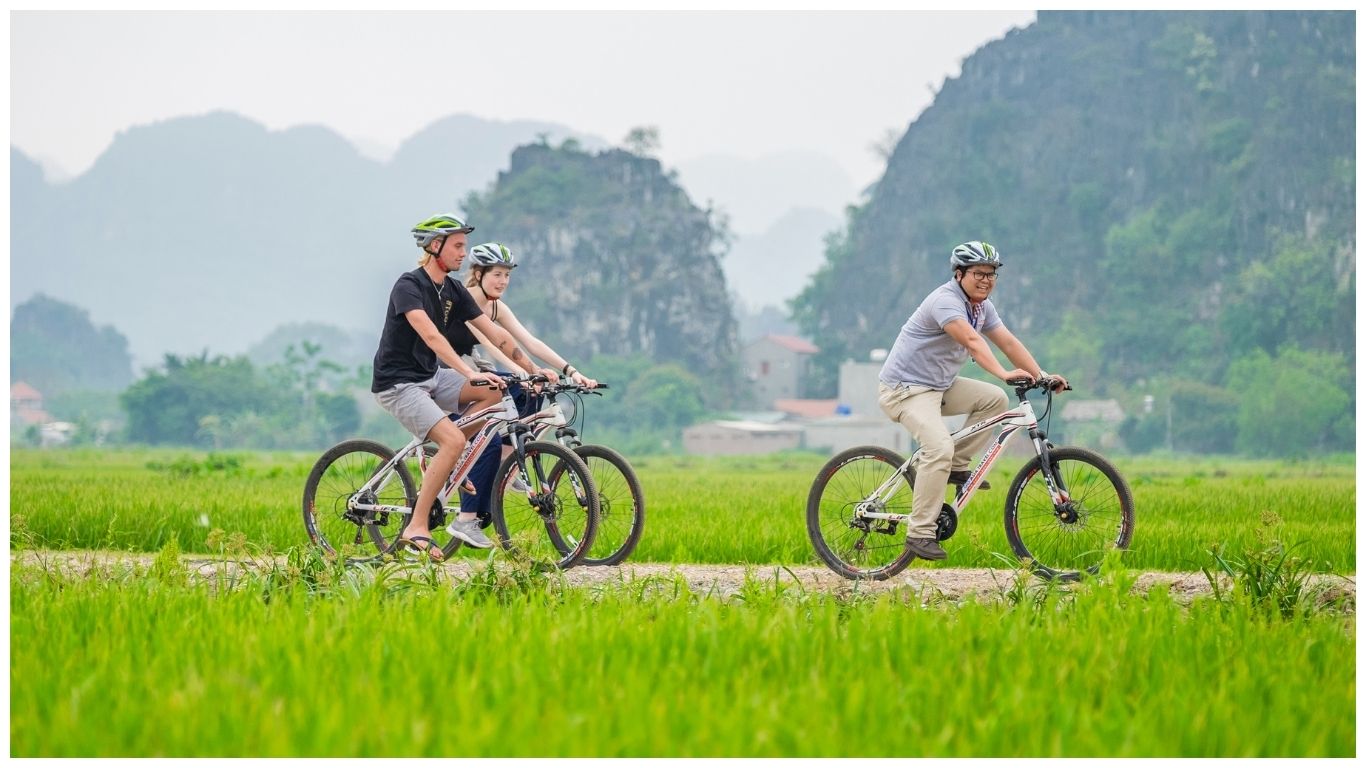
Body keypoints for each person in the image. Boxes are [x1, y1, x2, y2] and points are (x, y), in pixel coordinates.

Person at [876, 241, 1068, 562]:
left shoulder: (982, 307)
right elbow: (972, 341)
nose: (986, 280)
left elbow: (1006, 340)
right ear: (959, 274)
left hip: (938, 386)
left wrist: (1042, 374)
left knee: (994, 399)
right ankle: (920, 532)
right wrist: (1004, 373)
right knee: (937, 447)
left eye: (992, 274)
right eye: (979, 273)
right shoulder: (945, 302)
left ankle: (954, 466)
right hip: (905, 389)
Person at [370, 214, 543, 562]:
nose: (465, 254)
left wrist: (535, 370)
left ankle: (457, 461)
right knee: (452, 438)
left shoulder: (453, 290)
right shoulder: (409, 286)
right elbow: (432, 337)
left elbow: (497, 335)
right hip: (399, 384)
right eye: (458, 246)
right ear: (436, 247)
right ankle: (416, 526)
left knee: (495, 393)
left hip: (431, 378)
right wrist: (468, 372)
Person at [455, 241, 599, 526]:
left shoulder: (496, 307)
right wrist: (520, 372)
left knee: (535, 390)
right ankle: (500, 468)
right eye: (497, 274)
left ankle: (509, 465)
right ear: (480, 273)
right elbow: (492, 345)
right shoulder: (465, 300)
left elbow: (529, 341)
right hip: (454, 370)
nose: (503, 281)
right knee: (521, 384)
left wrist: (572, 370)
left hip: (479, 369)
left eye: (507, 275)